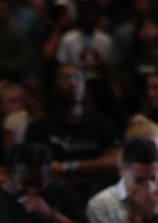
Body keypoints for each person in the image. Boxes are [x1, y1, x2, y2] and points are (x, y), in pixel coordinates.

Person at [24, 63, 121, 199]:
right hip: (57, 194)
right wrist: (94, 170)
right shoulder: (39, 127)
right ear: (53, 89)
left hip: (99, 191)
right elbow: (40, 169)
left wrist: (67, 167)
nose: (73, 83)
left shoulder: (102, 123)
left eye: (78, 78)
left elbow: (114, 162)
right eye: (65, 79)